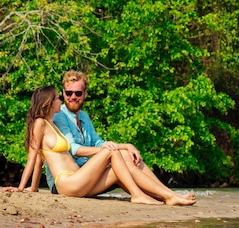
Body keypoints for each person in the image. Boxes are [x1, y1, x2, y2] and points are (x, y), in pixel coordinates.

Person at [3, 85, 196, 206]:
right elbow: (33, 157)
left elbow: (41, 160)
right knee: (110, 152)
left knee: (124, 165)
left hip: (80, 179)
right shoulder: (39, 124)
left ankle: (167, 196)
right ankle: (137, 195)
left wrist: (34, 188)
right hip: (68, 182)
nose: (61, 100)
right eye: (57, 97)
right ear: (48, 102)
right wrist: (22, 188)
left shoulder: (52, 123)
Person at [49, 70, 195, 202]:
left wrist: (126, 146)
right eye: (69, 93)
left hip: (86, 174)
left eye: (78, 93)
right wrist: (105, 151)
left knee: (126, 155)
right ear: (63, 93)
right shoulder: (59, 115)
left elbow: (97, 142)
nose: (73, 97)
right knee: (115, 156)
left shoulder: (84, 117)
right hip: (72, 180)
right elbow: (73, 148)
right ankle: (162, 195)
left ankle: (168, 195)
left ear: (85, 94)